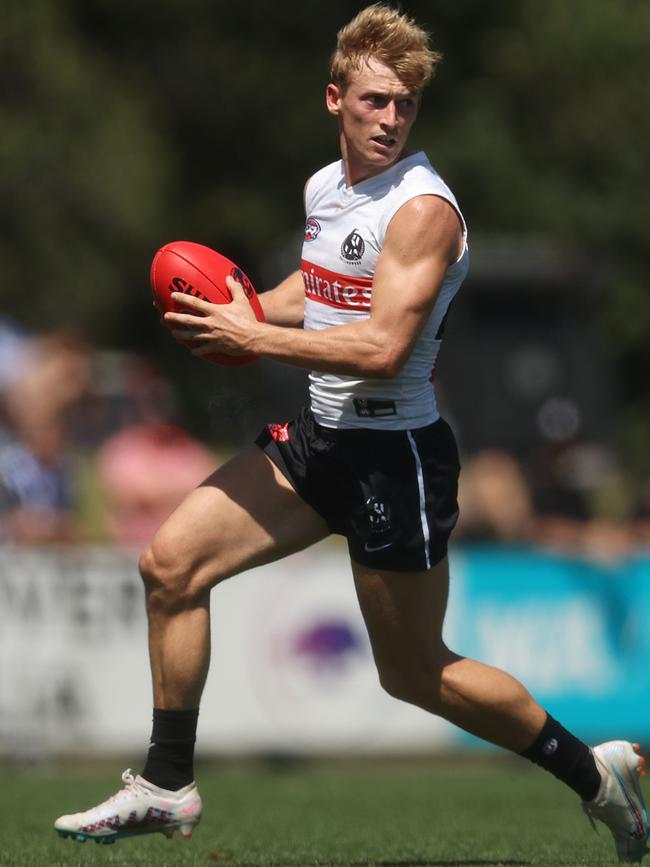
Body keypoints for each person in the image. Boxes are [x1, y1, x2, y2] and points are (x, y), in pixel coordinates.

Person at [54, 4, 649, 861]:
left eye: (404, 104)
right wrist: (251, 306)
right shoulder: (326, 189)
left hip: (394, 458)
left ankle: (595, 775)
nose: (390, 119)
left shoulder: (423, 210)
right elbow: (323, 281)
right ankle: (166, 782)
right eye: (374, 101)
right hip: (318, 441)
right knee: (171, 564)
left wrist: (250, 338)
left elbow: (382, 344)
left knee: (413, 671)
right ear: (335, 99)